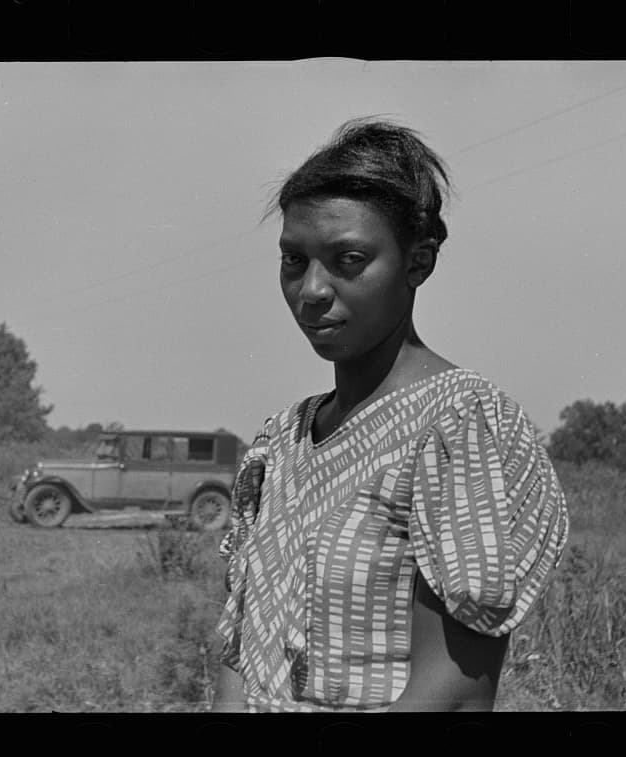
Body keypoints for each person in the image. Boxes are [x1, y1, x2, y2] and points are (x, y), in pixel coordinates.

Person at [210, 118, 569, 712]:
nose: (312, 290)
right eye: (294, 260)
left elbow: (454, 687)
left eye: (348, 259)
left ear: (418, 262)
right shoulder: (282, 441)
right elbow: (238, 648)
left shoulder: (455, 426)